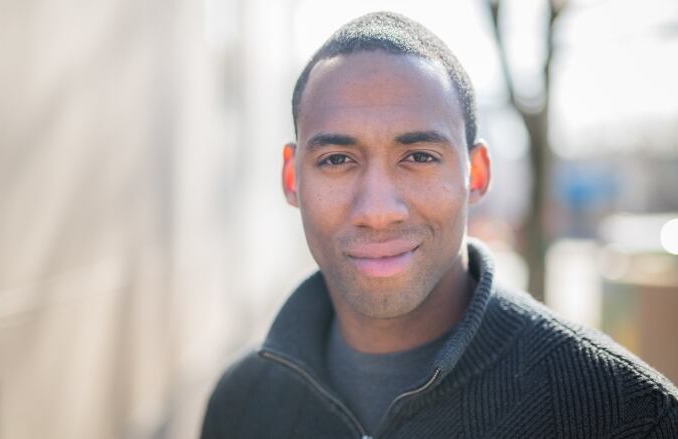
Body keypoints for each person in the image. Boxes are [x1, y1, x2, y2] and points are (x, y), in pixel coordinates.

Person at [200, 11, 678, 439]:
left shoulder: (624, 415)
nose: (379, 210)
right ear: (291, 178)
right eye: (337, 159)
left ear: (478, 174)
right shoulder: (241, 403)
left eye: (420, 157)